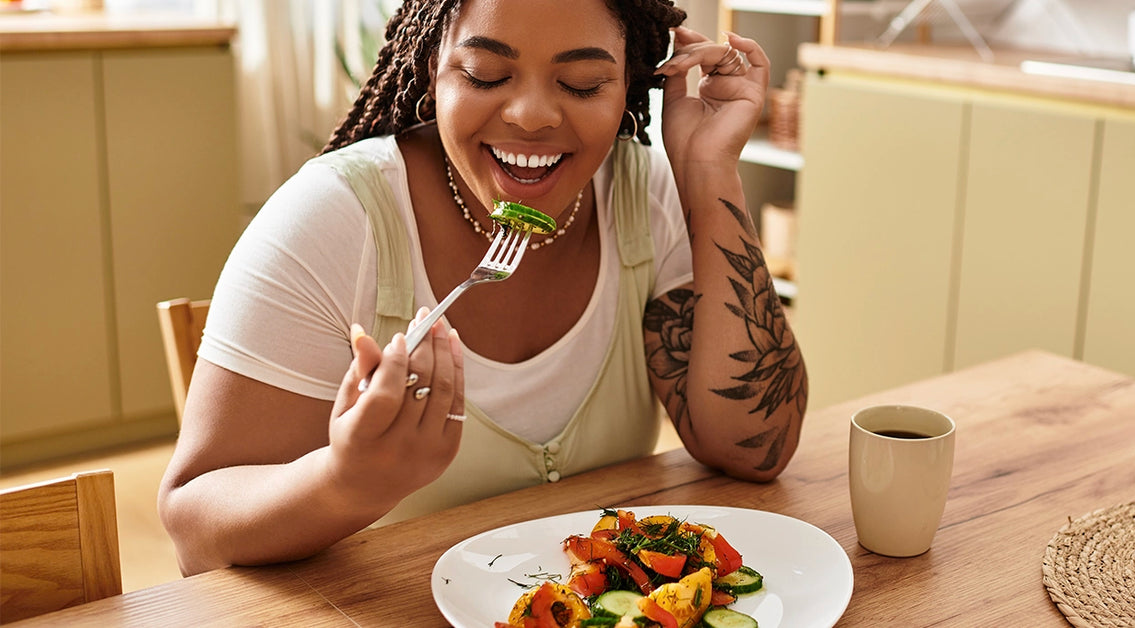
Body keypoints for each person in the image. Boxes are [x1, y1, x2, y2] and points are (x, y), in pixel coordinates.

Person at [158, 0, 807, 576]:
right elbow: (192, 528)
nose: (530, 115)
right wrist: (344, 482)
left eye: (581, 84)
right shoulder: (334, 221)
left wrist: (708, 173)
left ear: (629, 83)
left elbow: (756, 448)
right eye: (486, 75)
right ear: (430, 67)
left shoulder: (644, 195)